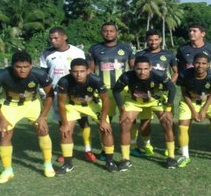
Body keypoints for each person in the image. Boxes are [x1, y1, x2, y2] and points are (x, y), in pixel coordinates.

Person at [0, 51, 56, 183]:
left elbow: (50, 95)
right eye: (18, 67)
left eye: (26, 67)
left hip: (32, 104)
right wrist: (1, 118)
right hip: (9, 105)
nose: (22, 70)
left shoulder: (39, 74)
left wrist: (43, 116)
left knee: (42, 129)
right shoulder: (0, 75)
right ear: (12, 66)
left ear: (31, 65)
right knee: (4, 134)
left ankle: (48, 164)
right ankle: (7, 170)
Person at [112, 55, 177, 171]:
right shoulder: (127, 76)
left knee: (167, 122)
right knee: (125, 123)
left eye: (145, 69)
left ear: (150, 68)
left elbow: (172, 88)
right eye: (139, 69)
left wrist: (168, 110)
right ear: (134, 68)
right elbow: (116, 90)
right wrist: (122, 110)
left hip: (155, 99)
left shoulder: (159, 74)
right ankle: (125, 159)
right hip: (135, 101)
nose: (142, 72)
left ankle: (171, 157)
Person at [55, 58, 117, 174]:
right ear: (70, 71)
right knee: (66, 131)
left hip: (91, 105)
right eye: (75, 71)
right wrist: (64, 124)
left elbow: (106, 100)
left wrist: (103, 120)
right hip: (73, 105)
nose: (78, 74)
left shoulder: (96, 80)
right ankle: (68, 164)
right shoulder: (64, 81)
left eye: (82, 71)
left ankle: (110, 161)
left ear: (88, 71)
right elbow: (61, 103)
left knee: (106, 130)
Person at [40, 27, 93, 161]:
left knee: (83, 120)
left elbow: (86, 71)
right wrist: (43, 91)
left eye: (56, 38)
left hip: (77, 91)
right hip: (57, 92)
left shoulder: (77, 52)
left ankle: (88, 149)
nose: (53, 41)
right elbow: (43, 74)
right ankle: (67, 152)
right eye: (51, 38)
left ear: (64, 37)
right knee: (62, 122)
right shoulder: (46, 53)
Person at [87, 22, 136, 159]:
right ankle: (105, 149)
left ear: (116, 32)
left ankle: (132, 146)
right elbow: (90, 71)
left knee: (128, 119)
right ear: (102, 33)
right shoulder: (95, 48)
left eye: (111, 31)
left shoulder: (126, 48)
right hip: (104, 90)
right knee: (103, 120)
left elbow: (133, 70)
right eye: (105, 31)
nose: (108, 33)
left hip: (123, 90)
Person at [176, 52, 211, 167]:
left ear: (208, 65)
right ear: (193, 64)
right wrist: (193, 111)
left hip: (208, 102)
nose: (200, 66)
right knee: (183, 126)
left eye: (203, 63)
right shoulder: (184, 75)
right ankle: (184, 156)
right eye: (197, 63)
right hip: (189, 102)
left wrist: (203, 110)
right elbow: (184, 93)